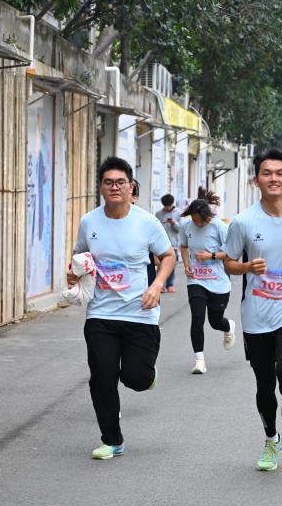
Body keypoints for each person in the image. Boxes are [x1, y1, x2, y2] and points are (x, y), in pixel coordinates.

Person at [69, 157, 175, 460]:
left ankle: (147, 375)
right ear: (101, 187)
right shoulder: (89, 222)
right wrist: (74, 274)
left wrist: (157, 285)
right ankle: (112, 439)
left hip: (140, 312)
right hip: (101, 313)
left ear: (131, 187)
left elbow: (168, 256)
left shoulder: (147, 223)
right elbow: (80, 257)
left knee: (136, 378)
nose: (114, 187)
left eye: (120, 182)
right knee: (102, 376)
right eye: (108, 182)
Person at [223, 148, 282, 472]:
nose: (273, 178)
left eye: (280, 173)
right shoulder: (243, 222)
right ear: (256, 180)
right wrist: (247, 266)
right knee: (264, 384)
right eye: (267, 173)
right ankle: (270, 440)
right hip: (256, 315)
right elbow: (228, 263)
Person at [178, 196, 236, 374]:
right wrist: (186, 264)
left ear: (207, 217)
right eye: (194, 220)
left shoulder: (219, 227)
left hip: (218, 282)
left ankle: (228, 326)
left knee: (215, 322)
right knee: (197, 318)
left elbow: (232, 252)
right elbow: (183, 246)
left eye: (200, 221)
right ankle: (199, 361)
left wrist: (211, 256)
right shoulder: (186, 226)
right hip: (196, 280)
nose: (197, 223)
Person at [155, 194, 181, 292]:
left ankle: (170, 284)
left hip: (173, 243)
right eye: (165, 206)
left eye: (169, 206)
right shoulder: (159, 214)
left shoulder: (178, 213)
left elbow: (181, 229)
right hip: (160, 243)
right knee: (161, 264)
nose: (167, 208)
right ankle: (161, 285)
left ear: (172, 204)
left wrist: (174, 223)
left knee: (171, 264)